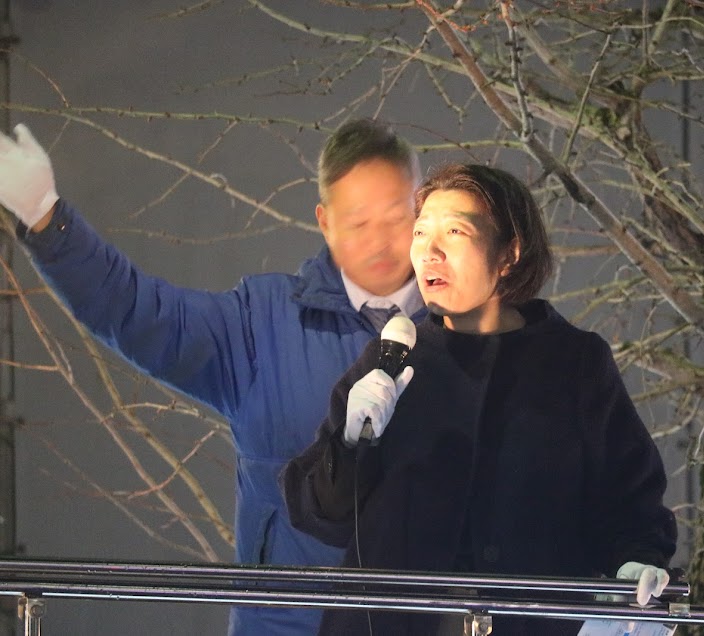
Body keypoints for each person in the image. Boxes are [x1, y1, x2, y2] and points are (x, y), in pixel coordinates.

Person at [0, 118, 427, 635]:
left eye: (395, 218)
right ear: (325, 221)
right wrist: (47, 219)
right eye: (358, 222)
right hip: (286, 626)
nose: (379, 242)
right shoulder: (261, 324)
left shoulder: (463, 326)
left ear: (421, 209)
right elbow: (140, 313)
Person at [282, 163, 678, 635]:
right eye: (420, 232)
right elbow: (317, 514)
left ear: (509, 253)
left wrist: (636, 563)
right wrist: (349, 442)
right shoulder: (392, 357)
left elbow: (630, 501)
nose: (429, 250)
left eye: (454, 232)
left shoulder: (574, 363)